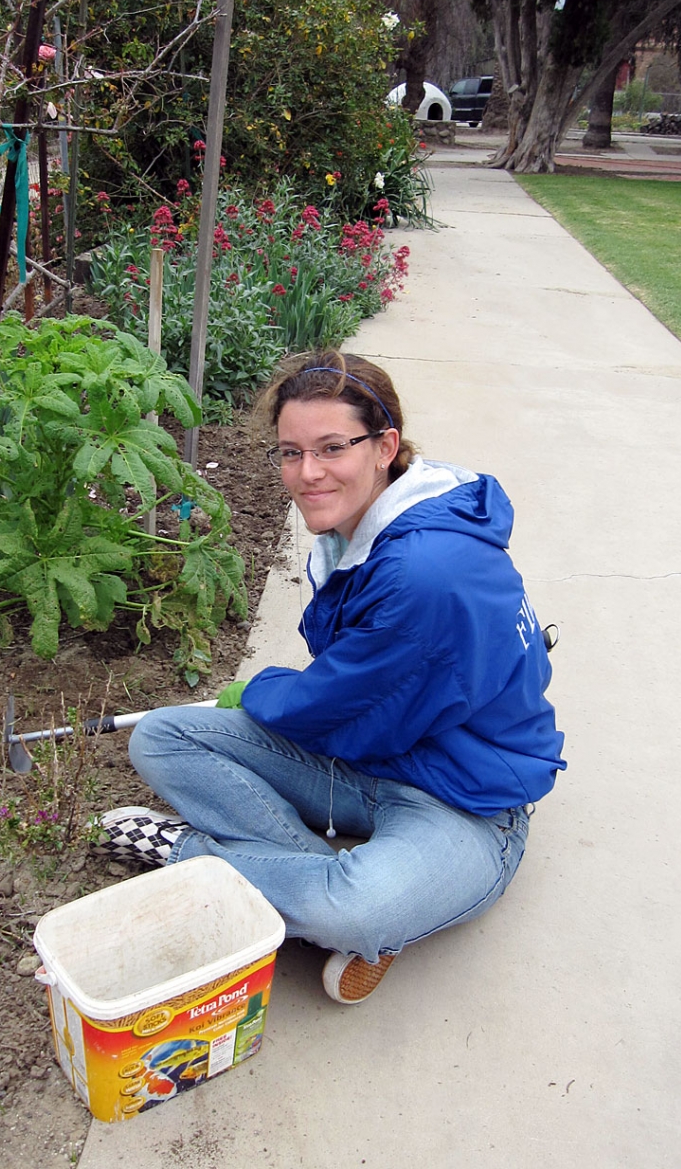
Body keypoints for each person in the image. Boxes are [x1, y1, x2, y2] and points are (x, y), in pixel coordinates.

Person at [100, 350, 565, 1004]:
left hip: (465, 799)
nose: (306, 473)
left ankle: (193, 856)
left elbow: (338, 709)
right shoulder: (370, 527)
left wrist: (258, 692)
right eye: (290, 452)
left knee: (356, 910)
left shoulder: (424, 571)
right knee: (163, 737)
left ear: (386, 446)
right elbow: (359, 693)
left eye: (330, 448)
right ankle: (328, 886)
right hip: (374, 759)